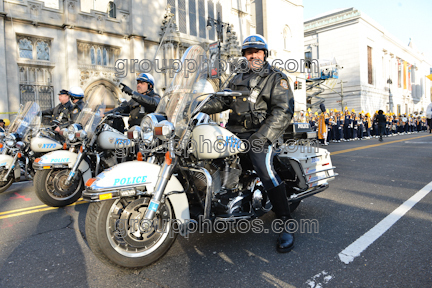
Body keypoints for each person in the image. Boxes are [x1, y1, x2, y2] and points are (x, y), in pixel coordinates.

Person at [201, 34, 295, 253]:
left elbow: (283, 110)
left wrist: (262, 136)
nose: (253, 55)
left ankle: (286, 222)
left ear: (264, 54)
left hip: (260, 133)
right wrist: (197, 104)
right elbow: (221, 100)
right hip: (234, 132)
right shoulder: (236, 77)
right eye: (249, 52)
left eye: (257, 51)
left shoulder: (275, 78)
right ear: (244, 55)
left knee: (264, 168)